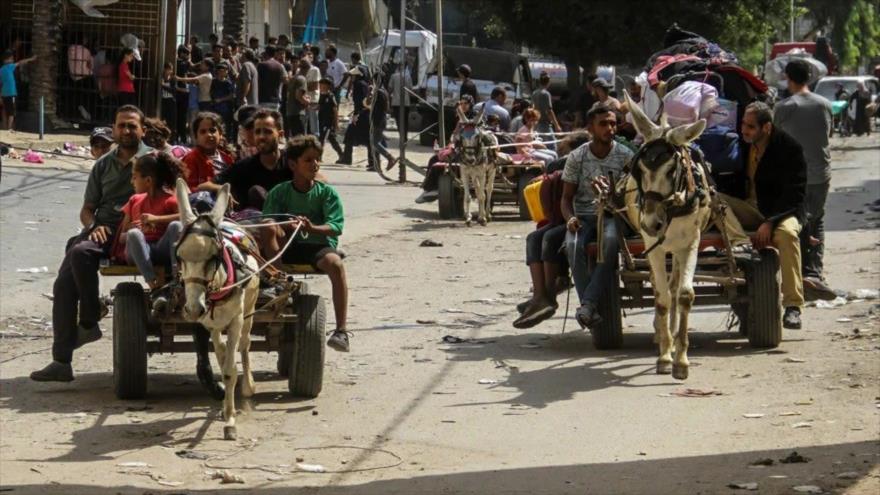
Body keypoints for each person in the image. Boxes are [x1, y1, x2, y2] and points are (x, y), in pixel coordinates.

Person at [30, 105, 153, 382]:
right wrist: (94, 226)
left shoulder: (153, 161)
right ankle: (62, 361)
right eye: (121, 125)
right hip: (103, 228)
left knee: (80, 252)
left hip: (137, 228)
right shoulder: (103, 164)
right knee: (63, 283)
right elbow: (87, 209)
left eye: (132, 126)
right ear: (114, 128)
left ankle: (88, 320)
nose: (126, 131)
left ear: (142, 130)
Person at [718, 102, 807, 329]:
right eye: (743, 124)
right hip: (749, 209)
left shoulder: (789, 148)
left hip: (780, 212)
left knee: (787, 235)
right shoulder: (741, 145)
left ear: (766, 127)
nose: (744, 130)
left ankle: (793, 306)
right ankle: (739, 242)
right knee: (711, 197)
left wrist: (770, 222)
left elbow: (795, 193)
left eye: (750, 126)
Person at [261, 135, 350, 352]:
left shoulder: (326, 193)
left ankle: (341, 330)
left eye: (317, 159)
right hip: (286, 247)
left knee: (336, 265)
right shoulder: (280, 192)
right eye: (308, 160)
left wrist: (311, 229)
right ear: (293, 164)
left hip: (317, 246)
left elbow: (335, 226)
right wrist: (286, 224)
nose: (315, 164)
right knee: (267, 226)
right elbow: (268, 219)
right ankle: (279, 283)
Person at [561, 104, 633, 329]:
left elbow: (634, 195)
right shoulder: (577, 157)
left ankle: (588, 305)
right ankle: (588, 306)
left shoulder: (625, 155)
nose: (610, 128)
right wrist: (570, 219)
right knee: (572, 246)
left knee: (611, 241)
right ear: (591, 128)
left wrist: (614, 194)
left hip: (614, 215)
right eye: (603, 124)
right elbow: (566, 198)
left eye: (613, 123)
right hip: (583, 216)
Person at [773, 59, 835, 301]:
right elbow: (827, 134)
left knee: (795, 224)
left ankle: (799, 276)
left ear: (788, 78)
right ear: (809, 78)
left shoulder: (784, 106)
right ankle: (815, 274)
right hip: (821, 175)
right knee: (816, 221)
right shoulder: (825, 104)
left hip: (793, 178)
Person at [118, 152, 185, 297]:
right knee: (134, 234)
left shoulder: (170, 200)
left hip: (162, 249)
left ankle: (177, 279)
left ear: (148, 180)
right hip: (138, 252)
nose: (131, 182)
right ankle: (154, 286)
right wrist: (135, 229)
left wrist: (156, 219)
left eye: (134, 177)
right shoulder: (135, 200)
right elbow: (122, 237)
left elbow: (187, 218)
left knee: (176, 226)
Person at [201, 108, 291, 212]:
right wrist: (221, 189)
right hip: (256, 224)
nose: (261, 136)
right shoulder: (244, 166)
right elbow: (203, 186)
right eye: (257, 132)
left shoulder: (293, 163)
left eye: (267, 132)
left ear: (280, 135)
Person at [181, 112, 234, 190]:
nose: (208, 135)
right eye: (203, 132)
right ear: (196, 137)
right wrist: (214, 188)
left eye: (212, 130)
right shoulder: (191, 159)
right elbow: (188, 190)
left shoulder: (228, 159)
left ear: (221, 134)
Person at [365, 79, 396, 171]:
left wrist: (369, 92)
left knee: (375, 143)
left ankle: (390, 157)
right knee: (374, 143)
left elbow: (368, 102)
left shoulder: (378, 92)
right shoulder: (383, 91)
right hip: (380, 120)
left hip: (378, 121)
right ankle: (376, 165)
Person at [531, 72, 561, 147]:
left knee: (541, 145)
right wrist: (557, 125)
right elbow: (549, 110)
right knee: (552, 146)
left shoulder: (534, 93)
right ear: (548, 82)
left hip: (537, 123)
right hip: (545, 124)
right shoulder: (546, 94)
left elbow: (533, 107)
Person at [317, 77, 343, 160]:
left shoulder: (330, 96)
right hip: (320, 120)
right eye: (321, 84)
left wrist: (336, 123)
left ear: (328, 86)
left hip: (328, 121)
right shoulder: (320, 95)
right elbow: (318, 107)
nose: (321, 86)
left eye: (323, 85)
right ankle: (341, 154)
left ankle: (319, 156)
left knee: (323, 139)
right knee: (331, 139)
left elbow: (335, 110)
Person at [210, 63, 237, 142]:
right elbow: (211, 93)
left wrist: (221, 100)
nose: (224, 72)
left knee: (227, 127)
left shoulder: (228, 83)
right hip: (216, 108)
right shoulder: (214, 82)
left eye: (225, 71)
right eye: (222, 71)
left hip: (226, 109)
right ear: (218, 72)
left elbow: (232, 95)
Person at [174, 45, 194, 143]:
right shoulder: (182, 63)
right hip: (182, 92)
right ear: (182, 53)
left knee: (179, 116)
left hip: (180, 92)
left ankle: (178, 136)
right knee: (182, 116)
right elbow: (192, 66)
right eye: (187, 54)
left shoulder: (177, 62)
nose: (188, 56)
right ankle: (182, 137)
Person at [257, 45, 286, 111]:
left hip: (263, 100)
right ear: (275, 53)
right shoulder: (280, 66)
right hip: (275, 100)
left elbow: (257, 81)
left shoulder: (262, 65)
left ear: (266, 53)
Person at [286, 55, 308, 138]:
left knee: (295, 138)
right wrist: (307, 102)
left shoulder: (293, 78)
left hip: (290, 112)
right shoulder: (302, 79)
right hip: (298, 113)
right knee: (301, 139)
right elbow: (298, 96)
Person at [388, 64, 413, 136]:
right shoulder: (408, 77)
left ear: (398, 67)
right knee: (405, 120)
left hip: (396, 102)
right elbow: (411, 90)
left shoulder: (393, 76)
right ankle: (405, 136)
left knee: (398, 120)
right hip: (406, 102)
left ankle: (401, 134)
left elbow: (390, 89)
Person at [302, 56, 322, 136]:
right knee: (304, 123)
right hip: (303, 99)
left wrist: (302, 86)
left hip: (312, 100)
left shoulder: (315, 70)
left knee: (314, 125)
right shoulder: (301, 70)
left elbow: (314, 86)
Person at [160, 62, 176, 133]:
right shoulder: (161, 78)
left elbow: (173, 90)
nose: (170, 71)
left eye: (171, 70)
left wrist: (163, 86)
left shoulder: (172, 79)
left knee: (171, 119)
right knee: (163, 118)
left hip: (170, 100)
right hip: (163, 100)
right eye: (169, 69)